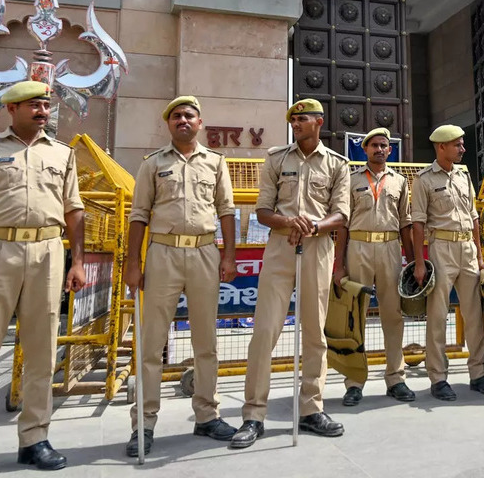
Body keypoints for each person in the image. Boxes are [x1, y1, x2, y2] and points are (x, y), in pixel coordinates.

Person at [0, 81, 87, 477]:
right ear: (12, 109)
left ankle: (35, 440)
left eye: (45, 105)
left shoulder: (63, 154)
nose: (42, 111)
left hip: (48, 252)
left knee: (42, 351)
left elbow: (74, 210)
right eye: (32, 105)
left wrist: (78, 261)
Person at [230, 99, 350, 449]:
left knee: (314, 332)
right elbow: (264, 210)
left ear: (319, 122)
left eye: (302, 119)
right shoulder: (276, 159)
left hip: (317, 249)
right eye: (293, 119)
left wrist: (313, 225)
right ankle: (254, 415)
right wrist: (288, 221)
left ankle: (312, 409)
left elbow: (341, 215)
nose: (296, 124)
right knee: (264, 331)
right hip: (280, 247)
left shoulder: (337, 164)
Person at [123, 96, 238, 456]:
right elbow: (139, 214)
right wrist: (132, 263)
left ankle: (207, 414)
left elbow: (227, 210)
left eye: (189, 115)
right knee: (152, 342)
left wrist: (230, 256)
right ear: (168, 124)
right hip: (163, 253)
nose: (182, 120)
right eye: (176, 116)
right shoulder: (152, 165)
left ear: (200, 122)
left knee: (206, 341)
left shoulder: (216, 163)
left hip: (205, 251)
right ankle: (143, 423)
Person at [410, 124, 484, 400]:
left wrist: (480, 254)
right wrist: (419, 262)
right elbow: (418, 223)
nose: (463, 149)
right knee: (437, 316)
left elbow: (474, 218)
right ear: (441, 147)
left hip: (467, 250)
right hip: (441, 249)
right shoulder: (424, 179)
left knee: (474, 315)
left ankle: (479, 373)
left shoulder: (464, 176)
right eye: (458, 145)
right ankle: (438, 378)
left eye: (462, 145)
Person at [333, 127, 417, 405]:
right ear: (365, 149)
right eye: (374, 145)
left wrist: (414, 260)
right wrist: (338, 264)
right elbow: (342, 225)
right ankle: (354, 382)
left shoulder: (400, 182)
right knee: (355, 316)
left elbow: (405, 223)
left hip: (390, 249)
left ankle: (396, 378)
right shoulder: (351, 179)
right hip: (358, 247)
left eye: (384, 145)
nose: (379, 149)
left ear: (390, 151)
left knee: (392, 315)